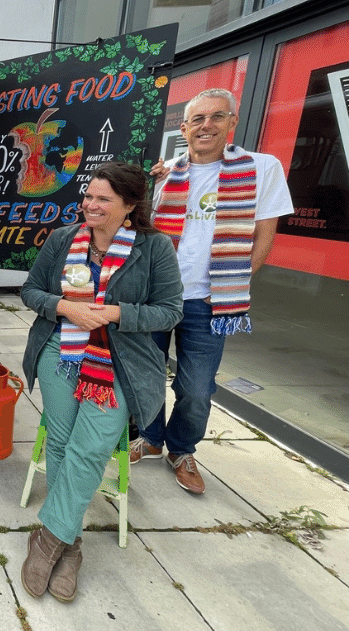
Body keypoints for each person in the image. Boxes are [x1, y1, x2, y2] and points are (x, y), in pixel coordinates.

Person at [20, 162, 183, 602]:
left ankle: (50, 539)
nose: (90, 205)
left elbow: (170, 311)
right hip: (61, 350)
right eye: (88, 196)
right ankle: (70, 545)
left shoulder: (154, 248)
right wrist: (65, 308)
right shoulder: (62, 239)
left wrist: (115, 313)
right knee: (60, 440)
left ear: (129, 206)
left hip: (120, 360)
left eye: (102, 199)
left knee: (89, 448)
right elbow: (31, 290)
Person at [131, 88, 294, 494]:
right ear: (183, 127)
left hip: (210, 300)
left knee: (197, 387)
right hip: (159, 295)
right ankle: (150, 439)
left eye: (217, 117)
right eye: (197, 119)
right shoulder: (166, 172)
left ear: (232, 123)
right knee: (147, 373)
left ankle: (182, 449)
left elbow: (265, 236)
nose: (206, 125)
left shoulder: (261, 167)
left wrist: (232, 284)